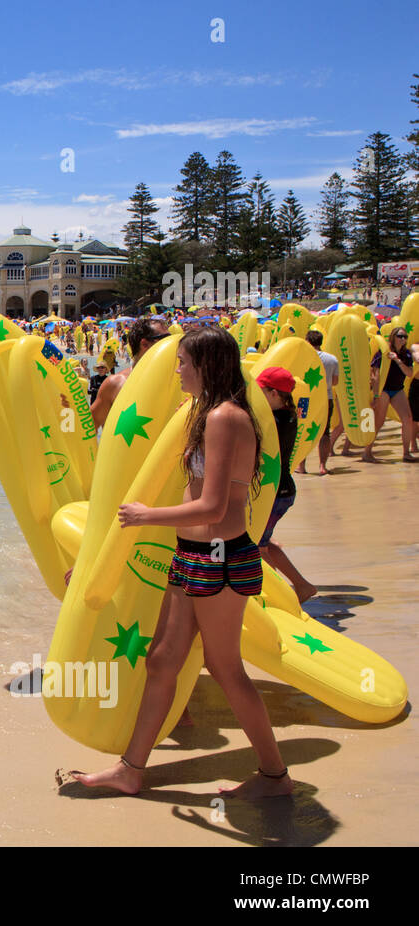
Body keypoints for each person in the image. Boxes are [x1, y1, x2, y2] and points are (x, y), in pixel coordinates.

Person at [75, 326, 291, 799]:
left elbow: (214, 507)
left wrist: (145, 516)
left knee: (226, 668)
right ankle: (131, 770)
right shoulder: (207, 414)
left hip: (219, 558)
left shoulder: (225, 418)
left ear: (206, 365)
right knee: (162, 659)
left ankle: (275, 776)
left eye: (184, 363)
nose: (176, 370)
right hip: (192, 556)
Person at [254, 367, 316, 603]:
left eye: (260, 391)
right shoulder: (286, 415)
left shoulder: (277, 420)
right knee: (263, 543)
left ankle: (281, 596)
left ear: (274, 394)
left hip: (276, 492)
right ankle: (302, 586)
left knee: (258, 548)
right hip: (282, 490)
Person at [91, 317, 171, 430]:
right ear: (144, 344)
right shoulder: (115, 384)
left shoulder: (179, 382)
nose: (172, 344)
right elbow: (87, 431)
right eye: (166, 339)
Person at [363, 328, 415, 463]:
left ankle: (406, 452)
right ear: (393, 337)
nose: (403, 339)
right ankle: (367, 452)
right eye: (400, 336)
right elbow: (375, 375)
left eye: (405, 337)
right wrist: (375, 396)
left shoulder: (406, 354)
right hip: (383, 390)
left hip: (397, 389)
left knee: (408, 419)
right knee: (379, 422)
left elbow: (409, 373)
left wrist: (397, 360)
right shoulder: (383, 351)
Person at [296, 330, 339, 475]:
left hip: (304, 398)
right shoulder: (332, 359)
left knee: (302, 430)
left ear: (307, 341)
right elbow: (335, 382)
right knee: (324, 433)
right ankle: (322, 466)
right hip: (325, 398)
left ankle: (301, 466)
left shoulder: (302, 357)